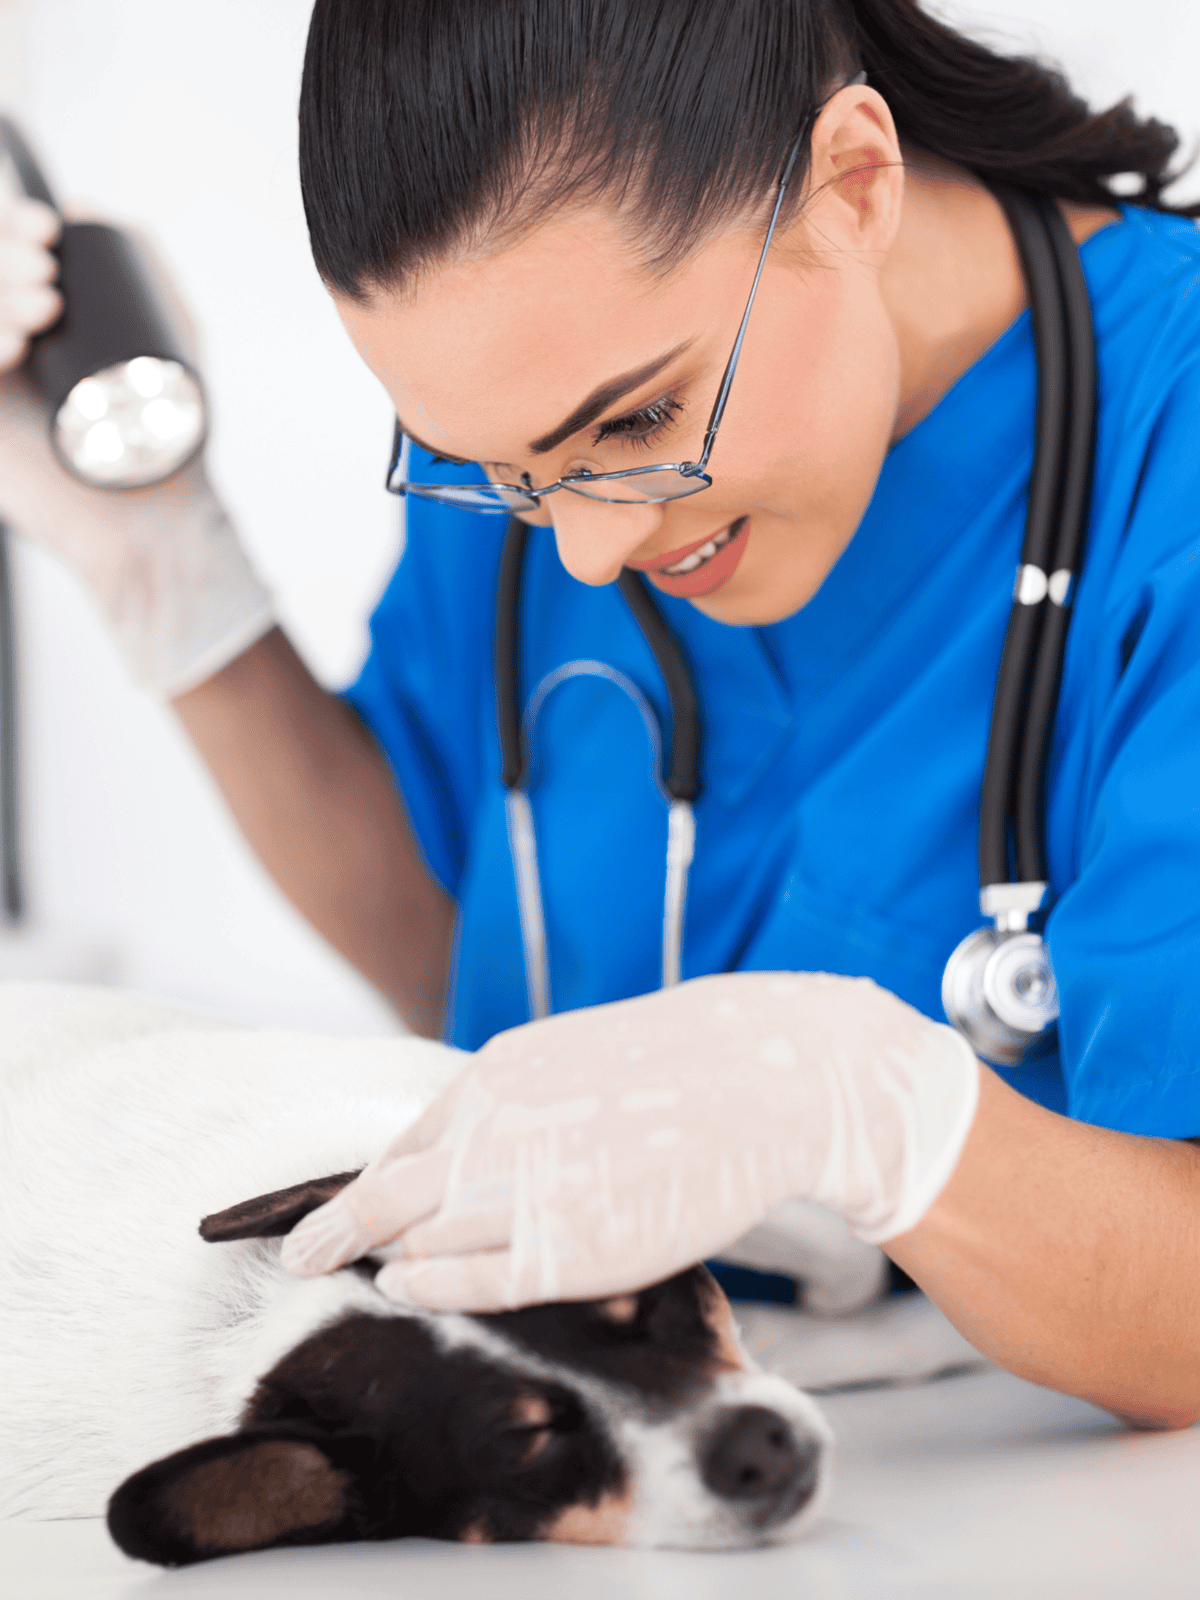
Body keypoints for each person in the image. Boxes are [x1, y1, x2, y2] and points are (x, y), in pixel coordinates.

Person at [1, 0, 1198, 1431]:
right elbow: (473, 952)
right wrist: (169, 576)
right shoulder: (541, 421)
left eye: (636, 426)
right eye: (491, 466)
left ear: (855, 182)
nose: (582, 547)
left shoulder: (1168, 444)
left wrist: (866, 1106)